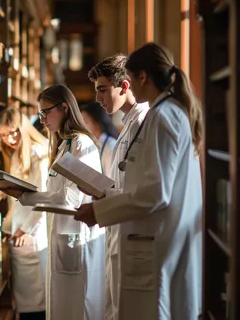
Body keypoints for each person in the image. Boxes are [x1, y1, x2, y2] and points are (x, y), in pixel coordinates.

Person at [75, 42, 203, 320]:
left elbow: (156, 193)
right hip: (151, 237)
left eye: (131, 79)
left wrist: (100, 211)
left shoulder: (163, 117)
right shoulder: (161, 114)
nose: (130, 86)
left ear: (141, 77)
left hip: (159, 241)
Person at [3, 84, 106, 320]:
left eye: (45, 113)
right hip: (63, 245)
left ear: (64, 108)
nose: (42, 120)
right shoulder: (64, 145)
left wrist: (26, 196)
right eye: (40, 114)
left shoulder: (81, 144)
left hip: (77, 244)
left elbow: (71, 198)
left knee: (77, 309)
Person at [85, 53, 149, 319]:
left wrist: (101, 209)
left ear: (124, 86)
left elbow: (144, 191)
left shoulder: (145, 122)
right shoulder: (128, 124)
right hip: (119, 234)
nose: (98, 99)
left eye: (102, 90)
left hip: (135, 240)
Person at [0, 107, 49, 320]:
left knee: (36, 304)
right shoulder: (16, 153)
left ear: (24, 129)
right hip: (19, 234)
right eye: (3, 135)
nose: (9, 139)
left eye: (13, 132)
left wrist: (25, 230)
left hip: (32, 235)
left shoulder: (39, 153)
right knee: (26, 304)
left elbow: (44, 196)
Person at [81, 102, 119, 176]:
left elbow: (111, 179)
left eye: (85, 122)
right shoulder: (91, 143)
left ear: (97, 123)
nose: (82, 126)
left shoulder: (110, 146)